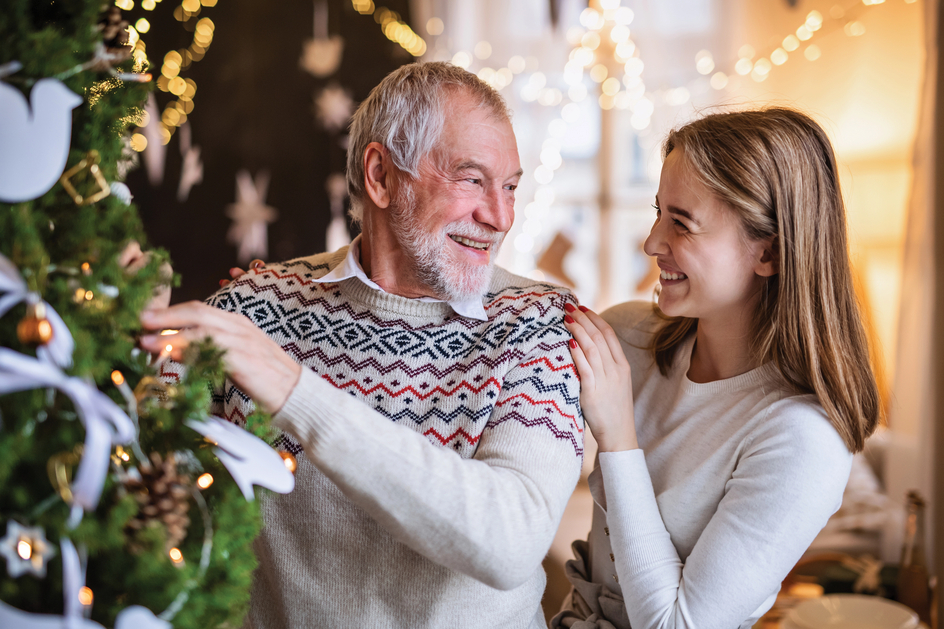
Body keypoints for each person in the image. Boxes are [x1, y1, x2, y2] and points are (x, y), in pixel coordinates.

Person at [138, 62, 584, 628]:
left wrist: (295, 391)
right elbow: (147, 480)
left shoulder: (538, 323)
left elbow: (510, 543)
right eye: (472, 180)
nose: (501, 217)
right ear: (380, 175)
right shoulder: (255, 304)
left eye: (511, 186)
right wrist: (134, 342)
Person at [554, 108, 879, 629]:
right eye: (658, 212)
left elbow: (675, 624)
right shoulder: (629, 339)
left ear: (768, 252)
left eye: (680, 223)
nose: (651, 243)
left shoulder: (802, 439)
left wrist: (618, 436)